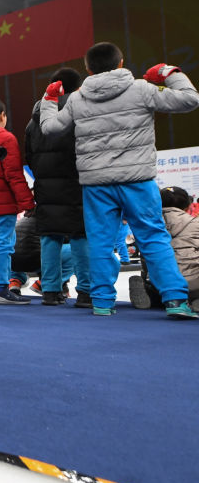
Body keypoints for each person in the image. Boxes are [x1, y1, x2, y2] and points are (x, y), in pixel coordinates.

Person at [40, 42, 199, 318]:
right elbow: (190, 99)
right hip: (138, 180)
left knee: (100, 242)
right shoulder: (140, 89)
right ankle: (175, 299)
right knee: (153, 238)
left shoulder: (77, 99)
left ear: (88, 68)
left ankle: (102, 301)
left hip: (96, 184)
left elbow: (50, 129)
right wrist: (168, 72)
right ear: (121, 63)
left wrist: (49, 100)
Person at [25, 67, 92, 307]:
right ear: (77, 87)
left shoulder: (34, 121)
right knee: (80, 236)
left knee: (49, 238)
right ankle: (85, 292)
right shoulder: (79, 111)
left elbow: (29, 156)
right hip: (76, 184)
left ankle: (51, 291)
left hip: (45, 186)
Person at [0, 98, 35, 304]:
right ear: (2, 115)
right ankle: (0, 289)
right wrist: (28, 203)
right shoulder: (6, 138)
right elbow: (14, 175)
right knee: (2, 244)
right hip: (1, 201)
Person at [129, 186, 199, 311]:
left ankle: (149, 291)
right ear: (188, 206)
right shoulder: (196, 223)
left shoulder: (146, 225)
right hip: (194, 283)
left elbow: (145, 258)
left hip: (160, 285)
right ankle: (193, 299)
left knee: (153, 262)